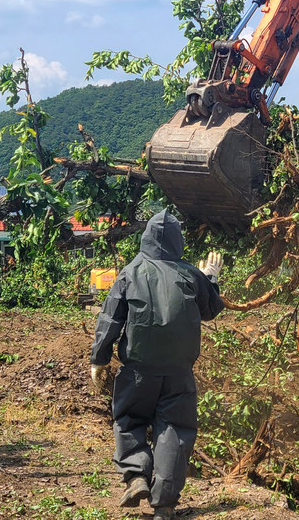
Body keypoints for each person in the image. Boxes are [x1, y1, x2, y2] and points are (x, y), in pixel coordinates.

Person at [90, 209, 224, 518]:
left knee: (129, 420)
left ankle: (137, 477)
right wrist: (211, 279)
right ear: (178, 241)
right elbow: (210, 310)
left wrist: (99, 359)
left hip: (137, 370)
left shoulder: (130, 272)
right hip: (179, 374)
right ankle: (164, 504)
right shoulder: (191, 274)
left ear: (146, 238)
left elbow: (110, 318)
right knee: (175, 431)